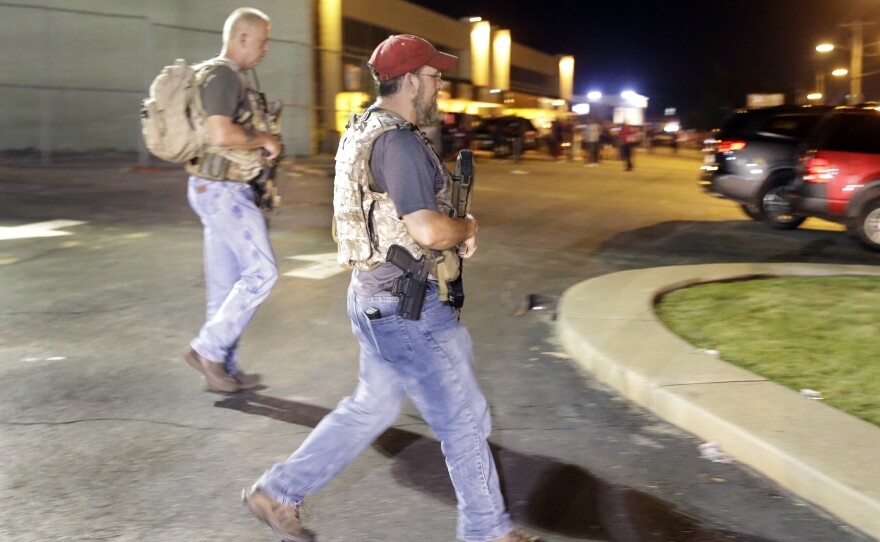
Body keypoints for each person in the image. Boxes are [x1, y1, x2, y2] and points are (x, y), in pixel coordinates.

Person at [242, 34, 541, 542]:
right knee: (464, 420)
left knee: (373, 407)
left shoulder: (364, 128)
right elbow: (425, 229)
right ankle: (488, 532)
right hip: (409, 308)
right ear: (408, 81)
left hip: (374, 299)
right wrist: (466, 229)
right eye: (433, 76)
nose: (440, 84)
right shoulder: (398, 141)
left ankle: (277, 490)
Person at [183, 7, 281, 394]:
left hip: (213, 188)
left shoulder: (219, 74)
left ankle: (221, 369)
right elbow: (222, 134)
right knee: (262, 273)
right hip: (224, 192)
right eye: (262, 40)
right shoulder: (223, 74)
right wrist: (264, 139)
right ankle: (207, 350)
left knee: (224, 287)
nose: (266, 49)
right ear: (241, 38)